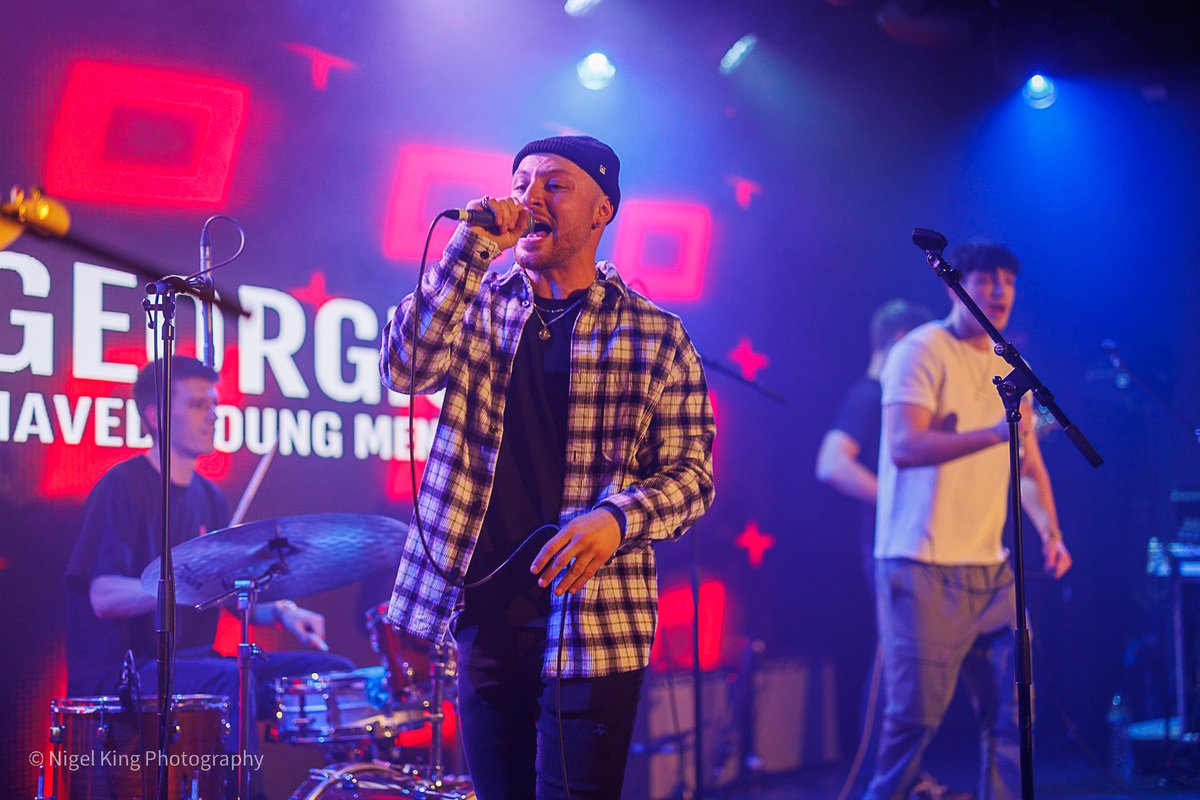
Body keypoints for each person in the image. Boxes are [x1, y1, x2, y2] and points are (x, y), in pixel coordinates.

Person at [379, 135, 716, 799]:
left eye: (553, 184)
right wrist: (467, 249)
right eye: (521, 181)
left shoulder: (655, 334)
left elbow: (692, 476)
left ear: (602, 211)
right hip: (486, 610)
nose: (530, 197)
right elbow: (404, 368)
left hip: (596, 618)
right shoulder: (475, 302)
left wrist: (617, 522)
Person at [64, 356, 353, 795]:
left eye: (213, 404)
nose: (213, 414)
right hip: (127, 673)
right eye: (199, 404)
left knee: (334, 673)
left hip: (198, 664)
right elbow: (103, 596)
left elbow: (223, 591)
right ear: (156, 415)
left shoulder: (210, 498)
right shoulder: (121, 487)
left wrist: (282, 613)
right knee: (229, 681)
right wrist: (182, 577)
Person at [866, 240, 1072, 800]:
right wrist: (993, 435)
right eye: (986, 279)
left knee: (1014, 714)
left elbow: (1029, 467)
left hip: (992, 570)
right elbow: (905, 444)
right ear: (957, 286)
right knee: (913, 722)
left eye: (1008, 280)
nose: (999, 291)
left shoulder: (1013, 368)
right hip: (921, 566)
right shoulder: (920, 351)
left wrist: (1050, 533)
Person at [817, 299, 933, 585]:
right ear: (902, 339)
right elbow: (831, 465)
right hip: (893, 549)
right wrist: (898, 499)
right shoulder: (869, 395)